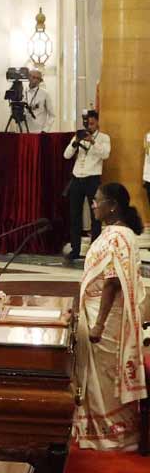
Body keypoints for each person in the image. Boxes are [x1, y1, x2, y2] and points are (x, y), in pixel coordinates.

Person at [74, 183, 146, 451]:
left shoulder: (117, 237)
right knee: (100, 376)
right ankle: (102, 430)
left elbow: (112, 283)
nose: (93, 205)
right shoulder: (119, 234)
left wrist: (98, 324)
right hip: (105, 313)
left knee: (103, 378)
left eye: (97, 200)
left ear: (113, 205)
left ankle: (110, 435)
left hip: (106, 319)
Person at [65, 111, 111, 261]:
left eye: (91, 123)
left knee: (95, 216)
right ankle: (75, 250)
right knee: (74, 215)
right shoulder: (79, 135)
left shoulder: (104, 138)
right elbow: (66, 155)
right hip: (77, 179)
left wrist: (92, 141)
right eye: (87, 123)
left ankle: (94, 251)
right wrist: (75, 143)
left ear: (97, 122)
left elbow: (105, 154)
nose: (89, 126)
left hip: (92, 180)